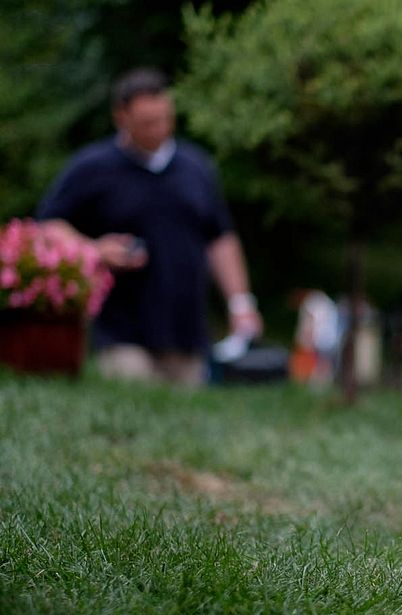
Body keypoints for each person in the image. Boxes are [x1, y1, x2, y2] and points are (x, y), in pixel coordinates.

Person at [37, 67, 262, 386]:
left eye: (165, 119)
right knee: (135, 408)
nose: (159, 129)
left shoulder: (196, 167)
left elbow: (220, 239)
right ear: (121, 117)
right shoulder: (92, 167)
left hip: (186, 337)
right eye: (147, 123)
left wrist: (241, 304)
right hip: (122, 335)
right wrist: (94, 249)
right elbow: (47, 224)